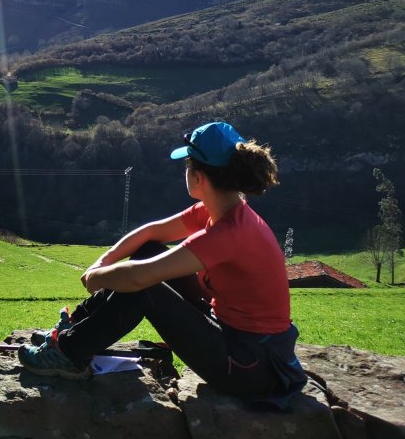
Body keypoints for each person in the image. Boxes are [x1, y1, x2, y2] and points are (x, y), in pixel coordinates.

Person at [17, 121, 307, 403]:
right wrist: (103, 262)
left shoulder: (228, 232)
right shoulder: (220, 210)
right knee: (150, 252)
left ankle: (68, 354)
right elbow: (152, 233)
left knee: (145, 287)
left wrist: (96, 278)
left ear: (198, 176)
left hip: (248, 367)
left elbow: (138, 278)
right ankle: (69, 333)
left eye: (187, 165)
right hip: (243, 345)